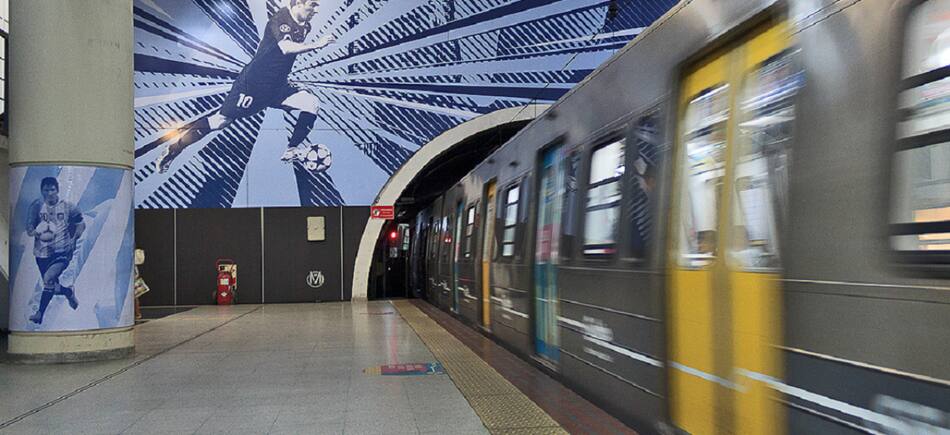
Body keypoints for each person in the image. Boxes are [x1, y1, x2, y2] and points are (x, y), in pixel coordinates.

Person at [155, 0, 335, 173]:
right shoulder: (280, 19)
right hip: (252, 86)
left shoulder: (305, 26)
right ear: (297, 3)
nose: (316, 10)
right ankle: (175, 149)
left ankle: (292, 150)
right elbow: (285, 47)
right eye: (313, 4)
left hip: (277, 86)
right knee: (220, 122)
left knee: (311, 103)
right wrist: (317, 45)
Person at [26, 177, 85, 324]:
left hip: (62, 251)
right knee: (51, 285)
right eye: (46, 190)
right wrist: (37, 231)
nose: (50, 193)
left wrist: (74, 239)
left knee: (48, 279)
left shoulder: (68, 207)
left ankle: (39, 314)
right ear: (42, 191)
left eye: (52, 189)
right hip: (41, 252)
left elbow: (80, 224)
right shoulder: (36, 206)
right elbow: (29, 230)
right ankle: (68, 291)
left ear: (57, 190)